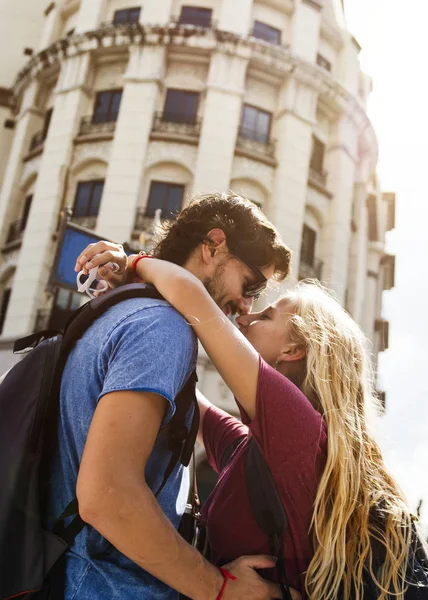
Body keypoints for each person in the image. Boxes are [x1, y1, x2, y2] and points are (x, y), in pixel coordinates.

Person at [80, 248, 428, 600]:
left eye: (266, 316)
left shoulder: (298, 430)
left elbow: (189, 294)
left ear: (292, 351)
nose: (244, 319)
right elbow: (190, 394)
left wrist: (131, 262)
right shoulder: (261, 450)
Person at [46, 193, 297, 600]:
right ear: (214, 245)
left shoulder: (128, 313)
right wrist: (218, 588)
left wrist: (132, 266)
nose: (247, 305)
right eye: (251, 285)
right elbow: (106, 496)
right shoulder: (163, 329)